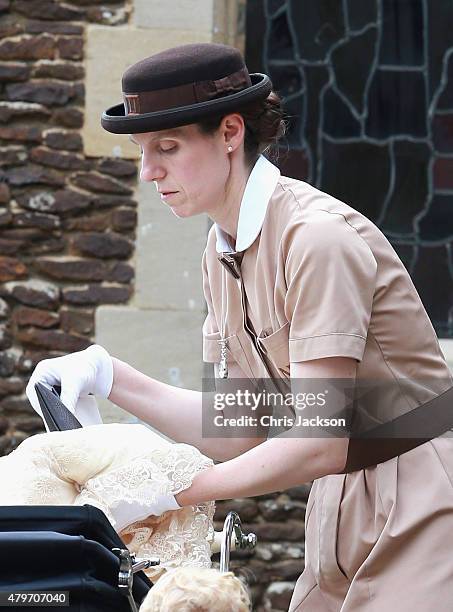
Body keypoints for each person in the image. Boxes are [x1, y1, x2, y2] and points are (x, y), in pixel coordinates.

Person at [26, 43, 453, 610]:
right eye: (143, 150)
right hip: (338, 503)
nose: (148, 170)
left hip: (425, 495)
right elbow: (238, 430)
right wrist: (111, 376)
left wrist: (163, 492)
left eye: (168, 148)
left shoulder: (316, 237)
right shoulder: (219, 249)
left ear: (230, 133)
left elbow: (318, 443)